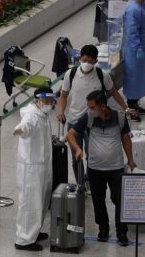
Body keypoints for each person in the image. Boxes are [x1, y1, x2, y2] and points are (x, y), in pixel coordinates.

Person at [57, 44, 135, 183]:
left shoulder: (101, 75)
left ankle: (90, 181)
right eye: (84, 60)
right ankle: (80, 183)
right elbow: (63, 95)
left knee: (91, 156)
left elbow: (114, 93)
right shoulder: (71, 74)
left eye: (90, 61)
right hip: (74, 120)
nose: (87, 63)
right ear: (80, 58)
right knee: (76, 156)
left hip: (92, 123)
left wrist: (125, 108)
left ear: (95, 61)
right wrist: (61, 112)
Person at [67, 90, 136, 246]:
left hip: (116, 168)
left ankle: (121, 231)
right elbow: (70, 134)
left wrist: (131, 160)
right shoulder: (88, 118)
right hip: (95, 169)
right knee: (98, 201)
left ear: (103, 106)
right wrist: (78, 149)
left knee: (119, 200)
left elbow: (125, 139)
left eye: (92, 107)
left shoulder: (119, 117)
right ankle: (103, 228)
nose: (89, 109)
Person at [13, 87, 55, 251]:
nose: (48, 104)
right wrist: (21, 130)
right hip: (31, 168)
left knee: (41, 201)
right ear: (36, 101)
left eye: (51, 101)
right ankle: (23, 240)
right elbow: (26, 126)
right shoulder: (31, 114)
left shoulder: (43, 115)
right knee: (30, 202)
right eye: (45, 101)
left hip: (42, 164)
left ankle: (34, 231)